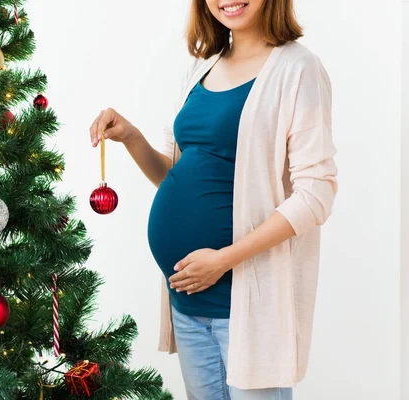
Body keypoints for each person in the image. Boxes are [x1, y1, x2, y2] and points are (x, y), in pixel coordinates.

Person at [89, 0, 338, 399]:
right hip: (187, 302)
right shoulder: (203, 66)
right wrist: (131, 137)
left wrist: (223, 260)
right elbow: (177, 176)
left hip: (245, 306)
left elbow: (316, 193)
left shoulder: (297, 69)